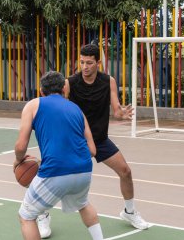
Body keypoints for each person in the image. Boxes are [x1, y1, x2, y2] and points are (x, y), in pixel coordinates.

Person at [37, 44, 148, 238]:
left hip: (100, 139)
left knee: (125, 171)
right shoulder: (70, 82)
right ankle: (43, 214)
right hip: (74, 140)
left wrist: (120, 113)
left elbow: (116, 109)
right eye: (81, 62)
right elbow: (60, 108)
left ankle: (129, 212)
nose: (85, 66)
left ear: (98, 63)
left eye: (89, 62)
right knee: (54, 178)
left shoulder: (108, 81)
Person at [14, 71, 103, 240]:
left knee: (26, 215)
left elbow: (21, 145)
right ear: (64, 88)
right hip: (83, 169)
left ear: (41, 91)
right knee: (83, 204)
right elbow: (92, 150)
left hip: (55, 170)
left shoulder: (33, 105)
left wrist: (18, 160)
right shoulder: (77, 109)